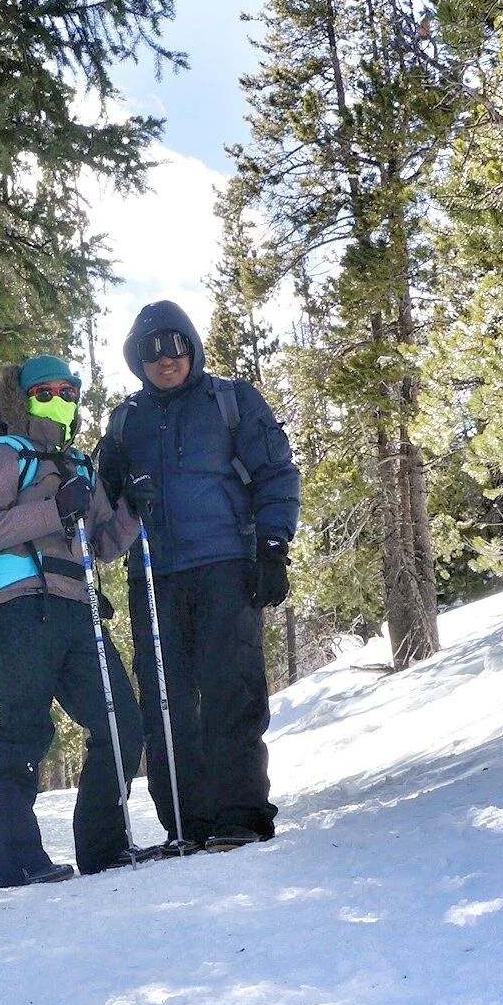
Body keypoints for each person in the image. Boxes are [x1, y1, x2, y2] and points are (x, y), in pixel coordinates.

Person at [100, 300, 300, 852]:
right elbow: (101, 503)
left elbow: (275, 472)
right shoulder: (126, 421)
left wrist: (273, 547)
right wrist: (108, 484)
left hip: (225, 567)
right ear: (137, 359)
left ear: (192, 348)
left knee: (230, 690)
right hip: (154, 577)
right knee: (165, 700)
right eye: (151, 351)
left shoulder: (231, 401)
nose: (165, 359)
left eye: (175, 346)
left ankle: (241, 814)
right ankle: (187, 822)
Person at [0, 354, 144, 887]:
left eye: (69, 393)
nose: (59, 401)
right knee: (24, 733)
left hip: (77, 607)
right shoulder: (4, 453)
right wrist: (55, 509)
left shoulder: (80, 465)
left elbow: (103, 543)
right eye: (45, 393)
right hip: (20, 607)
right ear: (21, 399)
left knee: (121, 723)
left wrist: (133, 511)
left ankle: (104, 847)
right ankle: (18, 862)